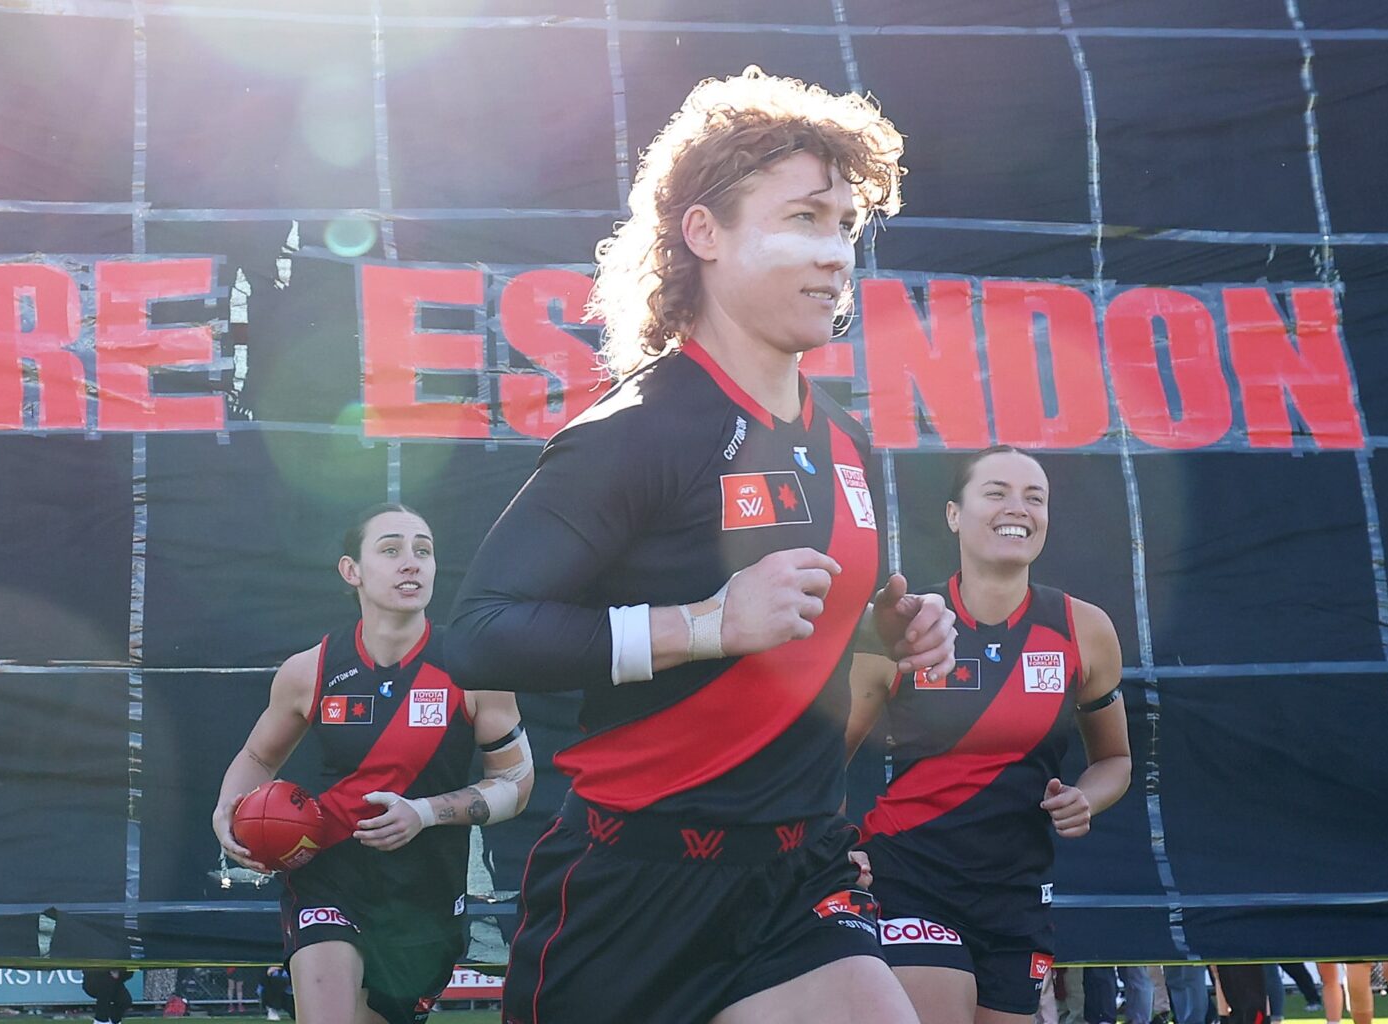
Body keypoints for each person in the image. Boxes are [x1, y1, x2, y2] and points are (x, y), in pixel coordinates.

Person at [446, 67, 954, 1024]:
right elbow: (480, 634)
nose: (836, 253)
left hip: (797, 881)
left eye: (847, 226)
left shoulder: (845, 437)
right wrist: (706, 625)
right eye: (804, 218)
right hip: (631, 895)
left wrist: (890, 627)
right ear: (705, 234)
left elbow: (799, 625)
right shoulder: (637, 429)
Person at [211, 505, 533, 1024]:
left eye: (423, 550)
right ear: (351, 571)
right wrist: (228, 809)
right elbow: (257, 757)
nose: (411, 562)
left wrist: (423, 813)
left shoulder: (474, 666)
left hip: (425, 895)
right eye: (391, 549)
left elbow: (515, 784)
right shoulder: (309, 670)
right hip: (329, 876)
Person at [845, 445, 1130, 1024]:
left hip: (1016, 897)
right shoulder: (908, 624)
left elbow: (1116, 758)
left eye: (1034, 497)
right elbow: (822, 756)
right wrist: (832, 846)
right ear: (954, 514)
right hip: (910, 877)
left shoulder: (1084, 628)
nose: (1017, 508)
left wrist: (1085, 798)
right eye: (996, 492)